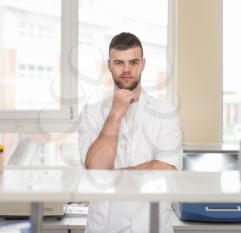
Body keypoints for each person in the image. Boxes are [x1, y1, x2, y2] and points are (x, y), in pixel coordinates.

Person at [78, 32, 183, 233]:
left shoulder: (165, 112)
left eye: (133, 62)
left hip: (153, 226)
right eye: (119, 63)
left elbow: (166, 169)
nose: (127, 69)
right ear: (109, 65)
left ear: (143, 64)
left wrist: (113, 178)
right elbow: (96, 170)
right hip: (105, 227)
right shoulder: (91, 113)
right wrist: (115, 114)